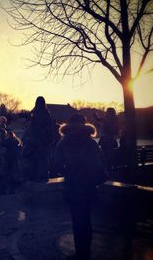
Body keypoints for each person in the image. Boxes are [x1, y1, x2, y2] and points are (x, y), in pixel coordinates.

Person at [54, 114, 107, 260]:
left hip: (72, 185)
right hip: (88, 186)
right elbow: (100, 164)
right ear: (85, 125)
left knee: (77, 220)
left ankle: (79, 253)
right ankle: (86, 252)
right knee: (87, 219)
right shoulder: (91, 143)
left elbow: (57, 165)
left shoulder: (64, 143)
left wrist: (69, 171)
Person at [21, 96, 53, 182]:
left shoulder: (36, 113)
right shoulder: (47, 113)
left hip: (36, 140)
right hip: (44, 141)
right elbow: (49, 127)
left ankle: (37, 176)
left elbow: (33, 127)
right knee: (43, 159)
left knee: (36, 159)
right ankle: (44, 176)